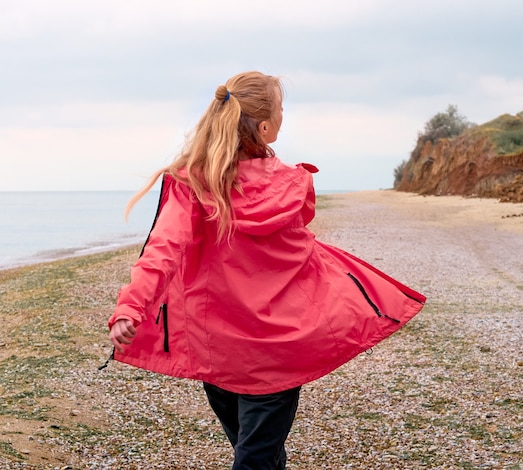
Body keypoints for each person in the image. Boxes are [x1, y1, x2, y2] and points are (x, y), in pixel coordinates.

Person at [107, 71, 426, 469]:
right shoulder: (291, 185)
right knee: (257, 454)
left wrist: (130, 309)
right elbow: (299, 240)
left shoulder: (196, 185)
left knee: (254, 451)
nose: (282, 116)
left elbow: (161, 251)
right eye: (280, 110)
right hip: (277, 349)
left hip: (216, 351)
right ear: (264, 127)